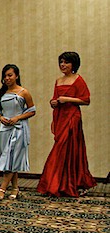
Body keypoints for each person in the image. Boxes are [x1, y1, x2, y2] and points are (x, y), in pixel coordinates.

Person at [37, 52, 96, 197]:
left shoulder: (78, 80)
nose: (63, 65)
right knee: (61, 147)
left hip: (72, 117)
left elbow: (86, 100)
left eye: (66, 62)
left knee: (69, 148)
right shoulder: (58, 80)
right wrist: (53, 102)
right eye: (61, 62)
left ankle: (69, 183)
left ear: (73, 64)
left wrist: (67, 99)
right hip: (61, 117)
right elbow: (55, 99)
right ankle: (58, 183)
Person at [0, 64, 36, 200]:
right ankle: (15, 188)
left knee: (10, 158)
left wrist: (17, 117)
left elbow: (32, 110)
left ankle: (2, 188)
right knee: (11, 159)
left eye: (10, 75)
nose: (7, 78)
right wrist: (1, 118)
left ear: (16, 76)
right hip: (5, 129)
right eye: (5, 76)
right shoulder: (1, 93)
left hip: (18, 129)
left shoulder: (24, 92)